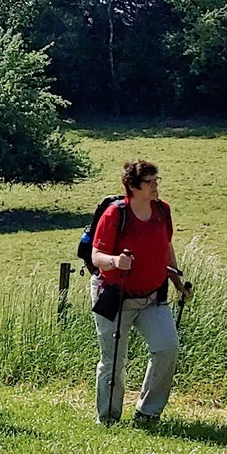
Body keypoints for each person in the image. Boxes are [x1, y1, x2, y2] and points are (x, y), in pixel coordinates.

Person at [88, 159, 182, 427]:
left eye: (156, 180)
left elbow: (166, 248)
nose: (155, 186)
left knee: (167, 348)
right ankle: (108, 418)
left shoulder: (163, 211)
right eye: (148, 182)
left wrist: (177, 281)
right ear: (131, 186)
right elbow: (97, 256)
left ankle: (148, 412)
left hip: (153, 296)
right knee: (113, 360)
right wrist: (116, 261)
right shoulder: (116, 214)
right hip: (114, 296)